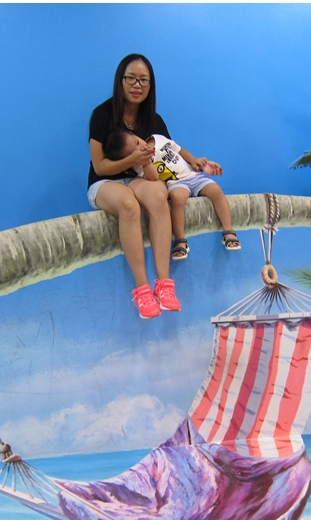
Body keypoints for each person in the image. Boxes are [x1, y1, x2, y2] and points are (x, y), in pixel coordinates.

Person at [87, 54, 180, 320]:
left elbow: (166, 162)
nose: (137, 85)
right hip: (105, 182)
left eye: (143, 80)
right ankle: (142, 289)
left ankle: (164, 285)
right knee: (128, 204)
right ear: (120, 80)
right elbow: (100, 167)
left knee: (159, 194)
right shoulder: (102, 115)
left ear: (151, 85)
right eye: (131, 78)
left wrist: (194, 167)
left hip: (139, 179)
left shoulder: (154, 120)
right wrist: (133, 159)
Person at [105, 130, 240, 261]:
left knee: (216, 190)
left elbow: (179, 150)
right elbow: (153, 178)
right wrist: (146, 162)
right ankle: (180, 240)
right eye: (133, 152)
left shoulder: (158, 139)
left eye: (137, 142)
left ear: (135, 135)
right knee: (177, 197)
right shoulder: (139, 165)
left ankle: (228, 231)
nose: (140, 148)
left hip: (193, 176)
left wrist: (194, 160)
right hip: (175, 183)